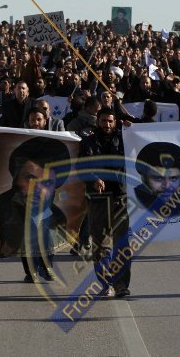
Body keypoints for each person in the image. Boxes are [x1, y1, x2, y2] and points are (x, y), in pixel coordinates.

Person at [0, 137, 70, 283]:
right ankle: (31, 271)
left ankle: (47, 268)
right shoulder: (4, 207)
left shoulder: (58, 216)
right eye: (30, 179)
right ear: (16, 177)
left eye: (46, 183)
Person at [79, 108, 130, 298]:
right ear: (97, 121)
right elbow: (81, 167)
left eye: (110, 121)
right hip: (98, 199)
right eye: (103, 121)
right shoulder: (88, 142)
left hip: (120, 198)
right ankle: (105, 283)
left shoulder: (125, 139)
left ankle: (121, 285)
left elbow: (144, 140)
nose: (107, 124)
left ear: (115, 122)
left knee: (122, 244)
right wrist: (94, 178)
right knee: (100, 245)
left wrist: (132, 128)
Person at [134, 142, 180, 215]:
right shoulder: (132, 198)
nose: (167, 186)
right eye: (158, 178)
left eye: (173, 178)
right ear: (144, 178)